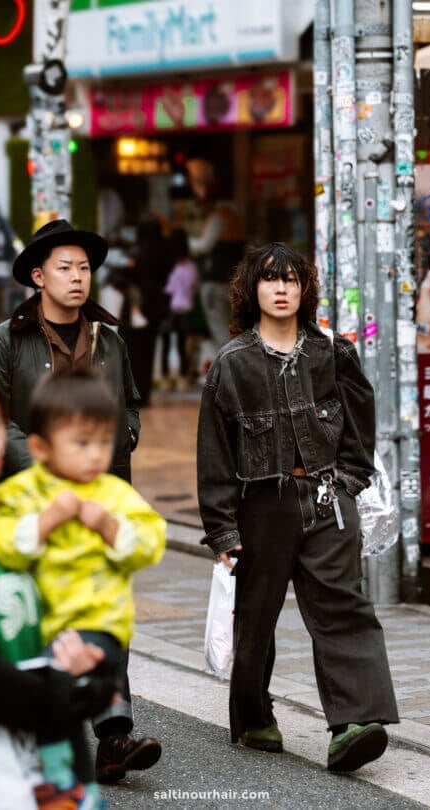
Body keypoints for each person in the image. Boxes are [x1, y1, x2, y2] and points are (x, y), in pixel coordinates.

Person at [197, 242, 399, 772]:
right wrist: (221, 531)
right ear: (252, 291)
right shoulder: (231, 364)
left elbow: (360, 425)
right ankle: (255, 713)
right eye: (270, 279)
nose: (282, 288)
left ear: (305, 289)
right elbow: (214, 454)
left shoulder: (333, 352)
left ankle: (354, 723)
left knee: (343, 606)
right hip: (261, 505)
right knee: (257, 617)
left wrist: (351, 484)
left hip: (328, 500)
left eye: (291, 279)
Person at [0, 218, 160, 780]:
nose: (78, 278)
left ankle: (114, 736)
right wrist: (46, 464)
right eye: (65, 268)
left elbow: (130, 405)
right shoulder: (7, 340)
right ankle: (35, 733)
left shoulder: (110, 339)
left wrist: (121, 437)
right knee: (37, 620)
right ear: (38, 276)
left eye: (84, 268)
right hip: (31, 506)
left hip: (103, 501)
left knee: (103, 610)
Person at [0, 360, 116, 810]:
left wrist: (95, 665)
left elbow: (76, 608)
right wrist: (66, 697)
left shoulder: (15, 521)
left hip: (50, 755)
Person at [0, 368, 167, 786]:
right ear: (41, 448)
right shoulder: (21, 492)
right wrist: (45, 522)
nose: (94, 455)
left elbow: (151, 540)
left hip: (97, 621)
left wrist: (111, 529)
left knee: (70, 682)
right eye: (80, 443)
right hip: (37, 622)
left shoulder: (113, 494)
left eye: (103, 442)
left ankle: (92, 710)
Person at [185, 158, 245, 354]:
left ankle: (227, 373)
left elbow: (203, 245)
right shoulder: (237, 215)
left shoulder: (219, 216)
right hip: (233, 281)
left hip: (215, 280)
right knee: (234, 329)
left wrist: (183, 242)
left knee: (220, 331)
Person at [118, 213, 170, 406]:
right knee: (148, 351)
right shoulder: (164, 253)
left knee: (132, 352)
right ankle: (145, 393)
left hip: (135, 307)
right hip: (154, 308)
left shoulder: (136, 253)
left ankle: (133, 393)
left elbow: (123, 279)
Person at [161, 228, 199, 392]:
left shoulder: (169, 266)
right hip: (186, 308)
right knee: (183, 344)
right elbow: (195, 286)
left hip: (170, 308)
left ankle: (165, 377)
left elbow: (167, 289)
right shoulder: (191, 267)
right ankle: (183, 377)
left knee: (166, 343)